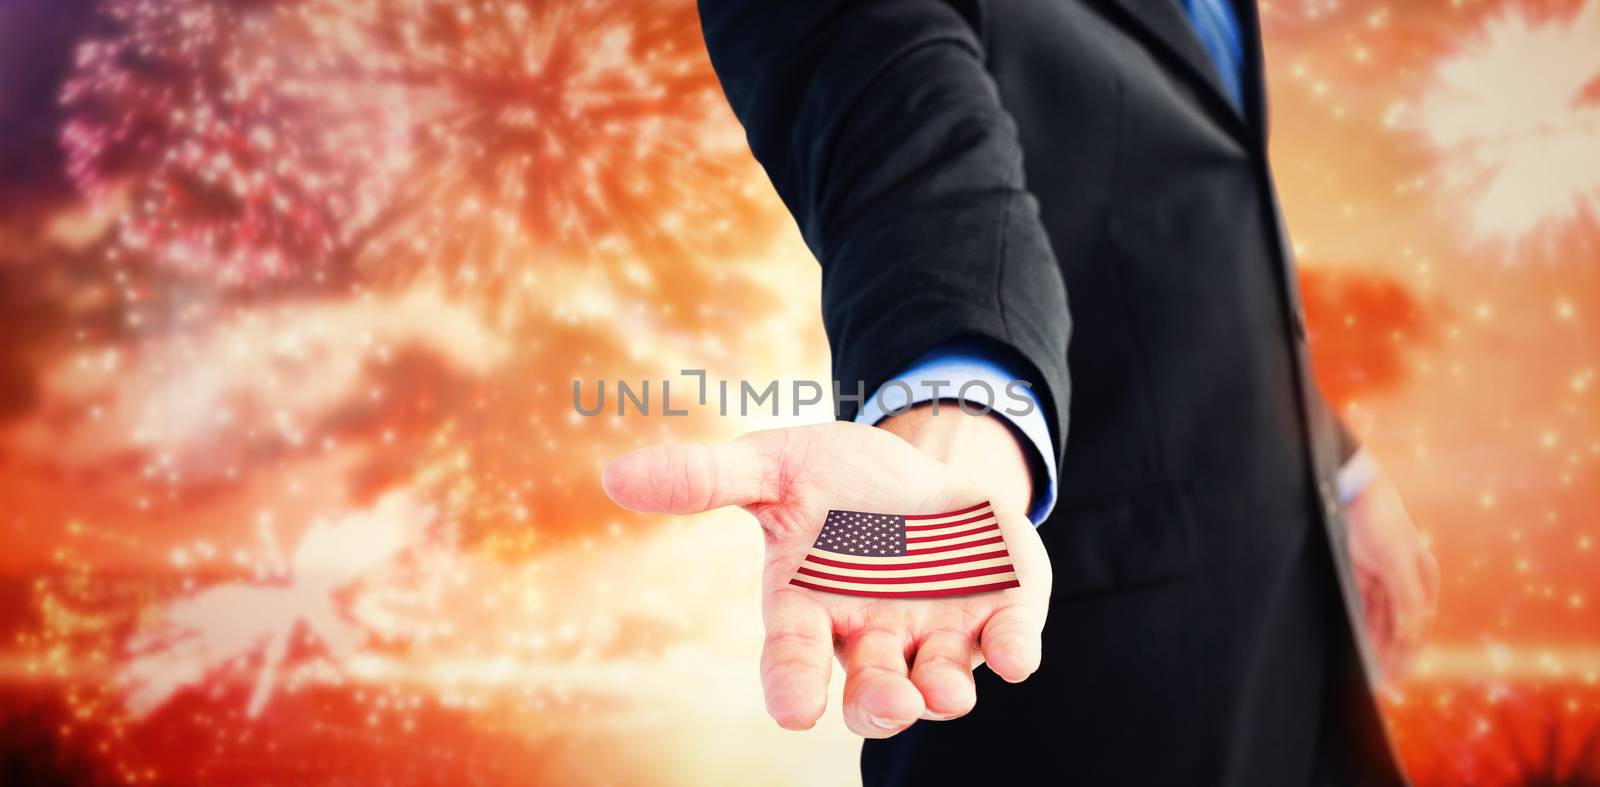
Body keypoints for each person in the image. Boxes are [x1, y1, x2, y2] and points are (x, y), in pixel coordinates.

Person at [601, 0, 1440, 783]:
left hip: (1287, 614)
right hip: (1090, 687)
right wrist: (960, 413)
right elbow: (899, 127)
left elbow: (1193, 222)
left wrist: (1338, 466)